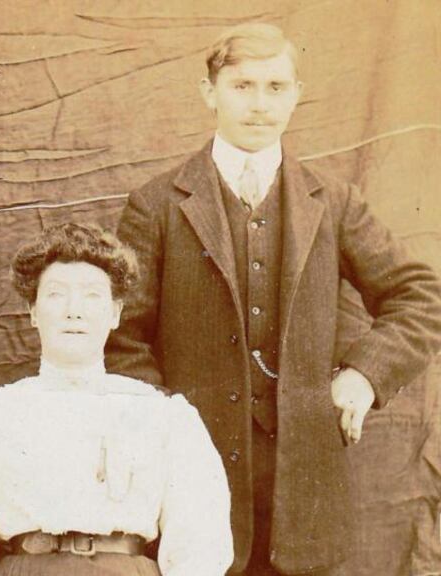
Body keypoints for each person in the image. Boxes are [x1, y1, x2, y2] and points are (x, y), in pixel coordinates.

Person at [106, 22, 441, 575]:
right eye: (242, 87)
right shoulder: (157, 205)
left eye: (276, 87)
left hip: (304, 493)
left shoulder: (333, 201)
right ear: (208, 93)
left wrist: (363, 374)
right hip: (193, 485)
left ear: (297, 94)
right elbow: (120, 337)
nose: (260, 105)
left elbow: (421, 297)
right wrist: (167, 426)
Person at [0, 223, 232, 576]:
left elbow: (200, 545)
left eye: (92, 295)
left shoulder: (165, 416)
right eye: (55, 294)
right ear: (33, 312)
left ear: (114, 314)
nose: (73, 311)